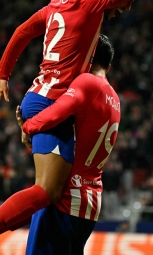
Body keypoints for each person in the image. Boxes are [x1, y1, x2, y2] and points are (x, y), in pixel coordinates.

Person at [0, 0, 153, 253]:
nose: (125, 8)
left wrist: (3, 74)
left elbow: (23, 31)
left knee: (50, 189)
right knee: (48, 190)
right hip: (51, 102)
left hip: (41, 97)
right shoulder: (93, 0)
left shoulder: (58, 3)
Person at [19, 34, 120, 254]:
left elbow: (55, 113)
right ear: (109, 67)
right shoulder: (114, 99)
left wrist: (28, 127)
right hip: (89, 203)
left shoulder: (86, 83)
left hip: (64, 196)